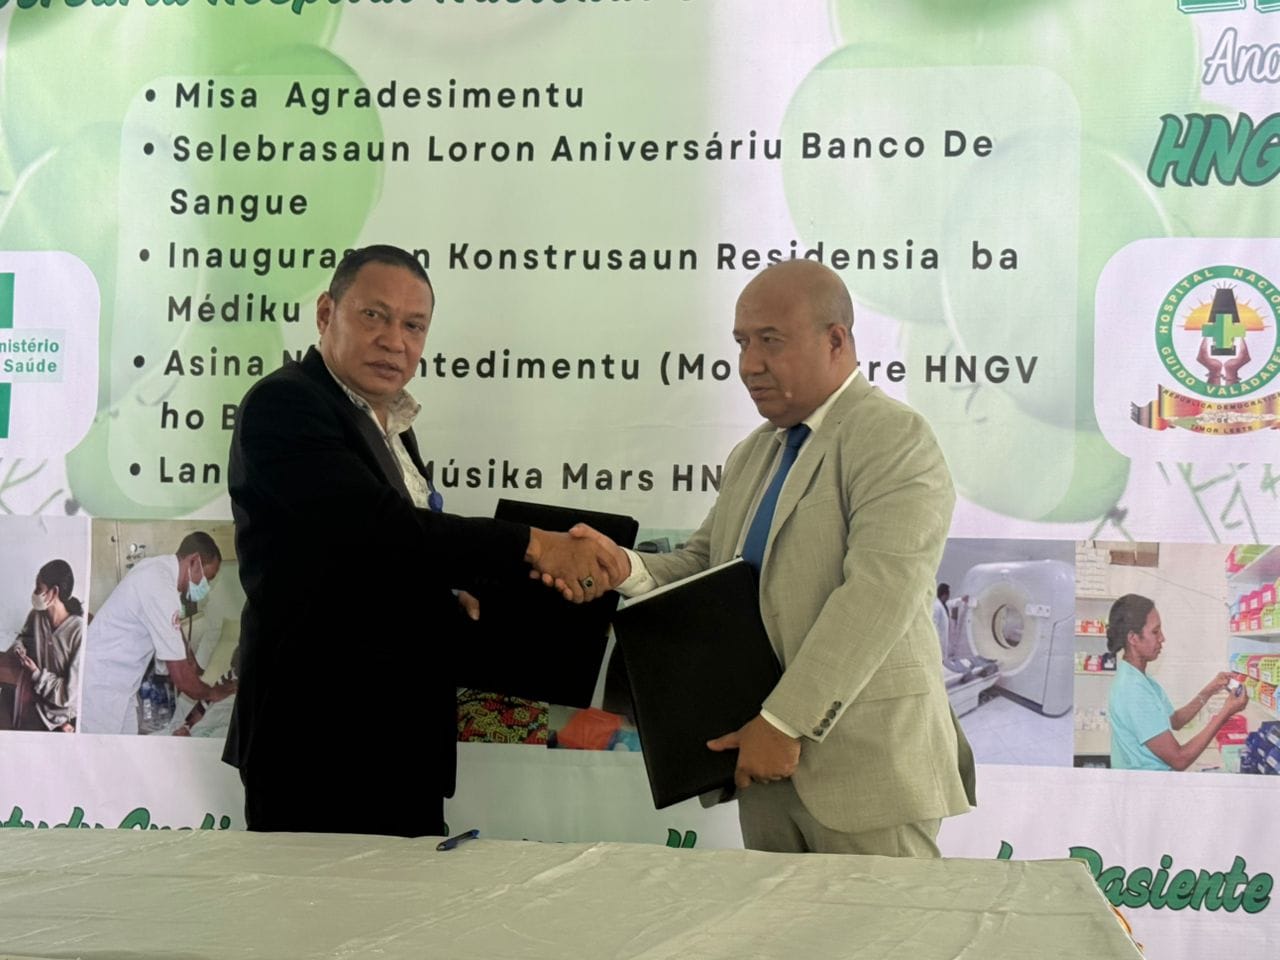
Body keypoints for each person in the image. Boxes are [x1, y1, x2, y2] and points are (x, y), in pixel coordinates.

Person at [572, 260, 975, 856]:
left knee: (877, 923)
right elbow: (704, 564)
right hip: (759, 767)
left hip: (865, 771)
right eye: (742, 342)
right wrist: (623, 568)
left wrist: (783, 723)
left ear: (836, 340)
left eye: (770, 341)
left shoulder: (892, 436)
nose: (749, 364)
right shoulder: (754, 454)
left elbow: (879, 594)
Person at [222, 244, 623, 838]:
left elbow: (381, 561)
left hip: (396, 742)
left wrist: (452, 591)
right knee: (316, 903)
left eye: (414, 326)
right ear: (326, 313)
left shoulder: (389, 423)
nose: (394, 341)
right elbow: (378, 530)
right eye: (374, 316)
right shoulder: (287, 403)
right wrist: (536, 545)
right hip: (319, 745)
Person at [80, 533, 235, 734]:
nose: (206, 586)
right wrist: (213, 692)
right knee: (102, 752)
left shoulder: (156, 569)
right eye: (207, 578)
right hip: (100, 687)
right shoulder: (160, 588)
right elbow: (181, 677)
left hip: (119, 687)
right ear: (194, 561)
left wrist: (194, 664)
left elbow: (173, 632)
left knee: (126, 747)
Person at [1106, 593, 1247, 771]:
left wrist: (1210, 689)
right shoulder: (1132, 690)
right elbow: (1179, 759)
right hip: (1145, 785)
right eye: (1155, 632)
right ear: (1133, 638)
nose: (1162, 638)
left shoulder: (1141, 679)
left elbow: (1175, 721)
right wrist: (1226, 712)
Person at [0, 560, 85, 731]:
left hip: (62, 715)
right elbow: (23, 637)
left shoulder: (78, 632)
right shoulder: (37, 616)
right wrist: (19, 648)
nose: (34, 593)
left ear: (54, 592)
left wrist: (37, 674)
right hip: (38, 703)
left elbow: (69, 695)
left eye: (38, 588)